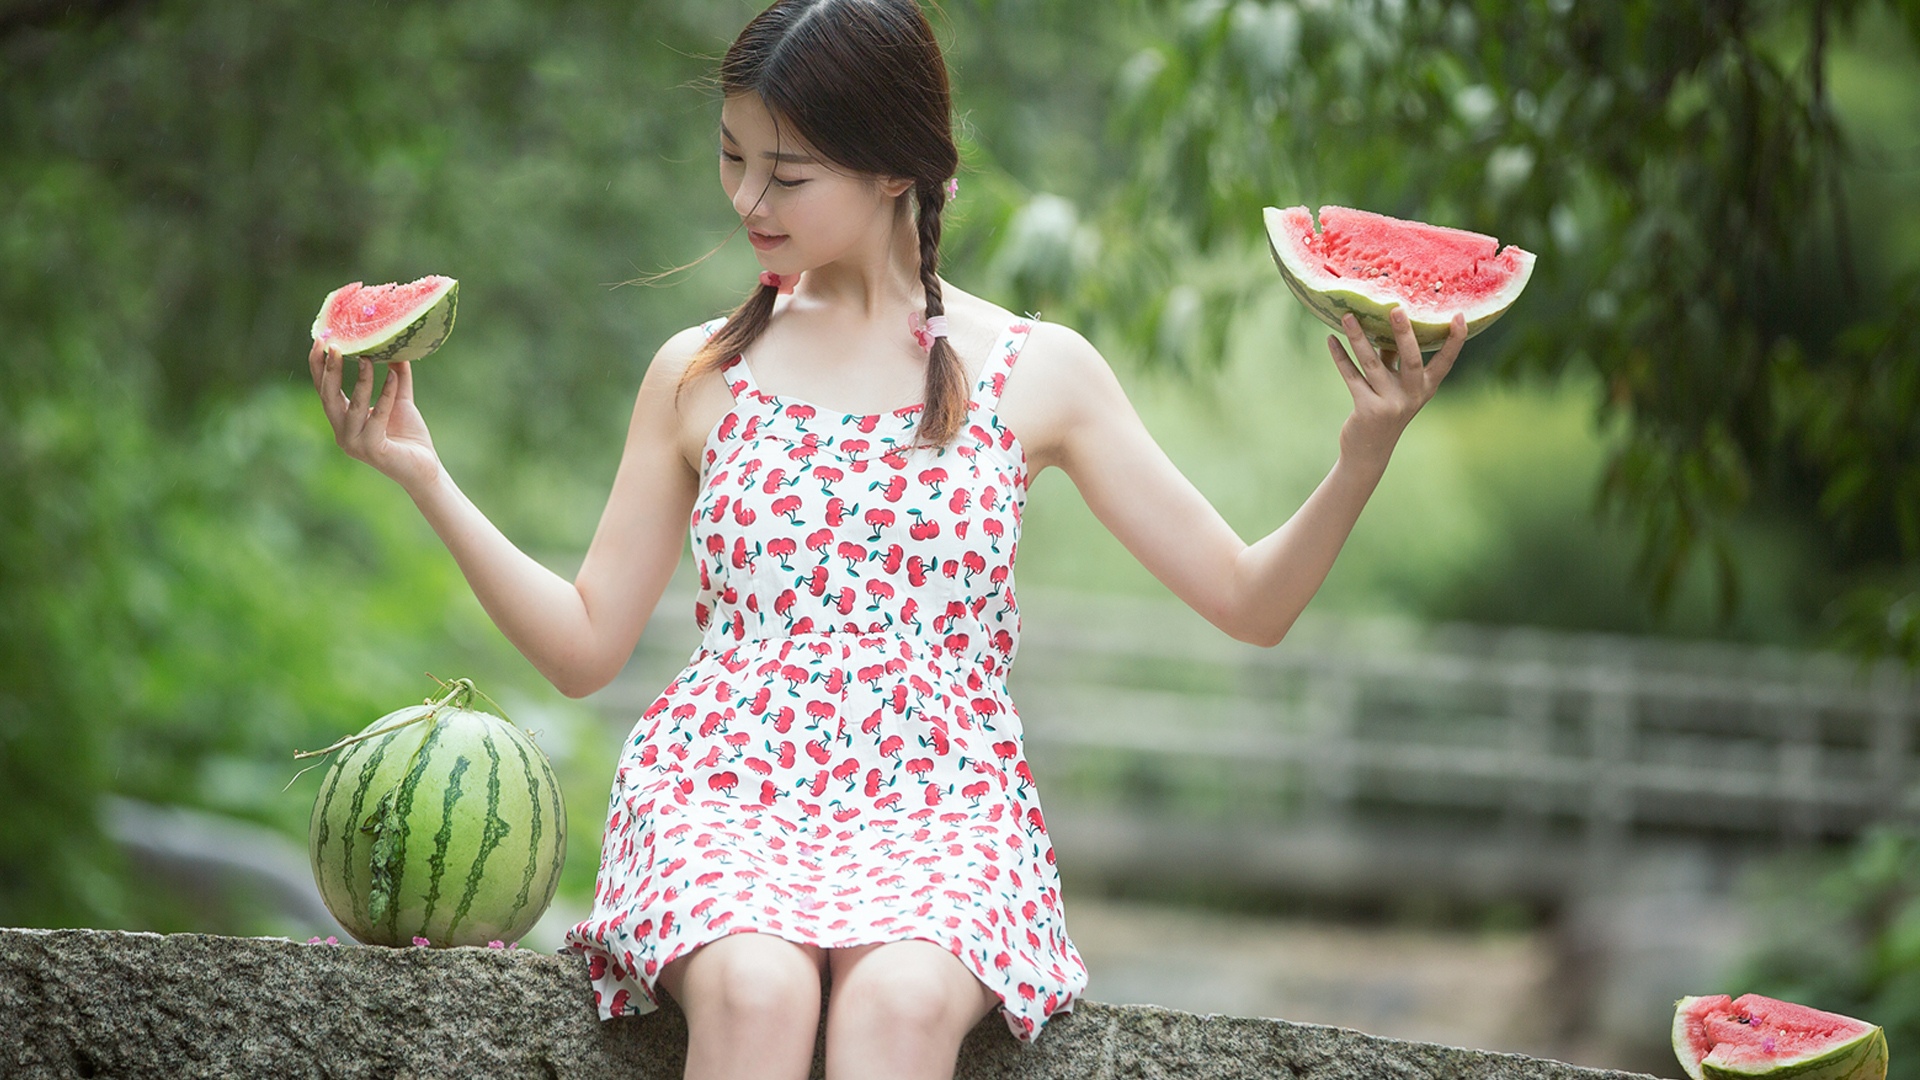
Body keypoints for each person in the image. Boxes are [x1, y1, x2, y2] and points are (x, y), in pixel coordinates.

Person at [306, 1, 1466, 1076]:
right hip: (723, 790)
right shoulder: (699, 373)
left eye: (788, 172)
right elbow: (585, 645)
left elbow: (1249, 601)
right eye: (732, 155)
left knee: (899, 1008)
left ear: (900, 167)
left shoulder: (1035, 373)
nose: (748, 201)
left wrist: (1364, 451)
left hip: (947, 805)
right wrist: (425, 474)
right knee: (755, 995)